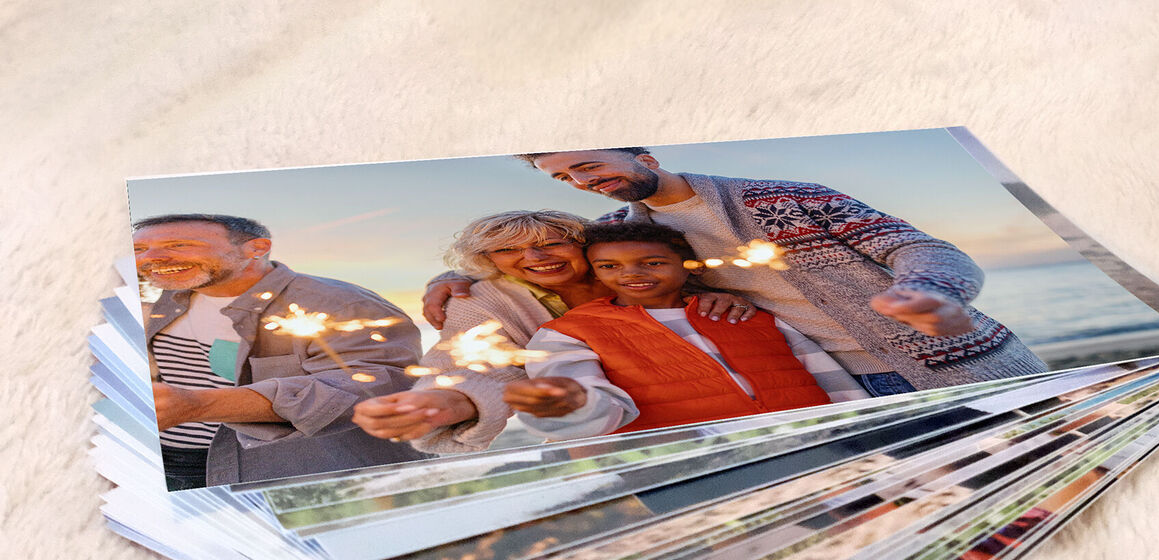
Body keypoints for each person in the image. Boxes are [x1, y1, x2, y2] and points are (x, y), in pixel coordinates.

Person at [423, 147, 1048, 397]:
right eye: (568, 178)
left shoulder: (784, 194)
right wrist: (457, 283)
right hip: (842, 384)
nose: (586, 182)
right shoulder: (615, 234)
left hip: (961, 358)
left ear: (642, 155)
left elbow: (924, 249)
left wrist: (928, 290)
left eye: (589, 164)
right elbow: (548, 259)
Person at [351, 210, 754, 453]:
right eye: (508, 250)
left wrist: (732, 301)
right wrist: (451, 401)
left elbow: (719, 289)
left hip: (730, 412)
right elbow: (471, 362)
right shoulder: (481, 300)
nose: (534, 257)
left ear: (585, 244)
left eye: (551, 243)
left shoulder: (634, 268)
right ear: (485, 260)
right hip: (611, 433)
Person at [135, 213, 422, 489]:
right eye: (140, 249)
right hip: (163, 463)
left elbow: (379, 384)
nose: (149, 258)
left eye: (180, 245)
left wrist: (200, 405)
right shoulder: (161, 300)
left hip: (286, 473)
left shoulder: (342, 304)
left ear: (256, 249)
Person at [503, 223, 868, 440]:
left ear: (689, 266)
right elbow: (603, 410)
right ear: (595, 272)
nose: (631, 273)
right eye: (610, 265)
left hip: (818, 441)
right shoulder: (568, 333)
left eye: (653, 263)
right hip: (700, 466)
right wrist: (572, 404)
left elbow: (829, 378)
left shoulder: (750, 315)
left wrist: (869, 429)